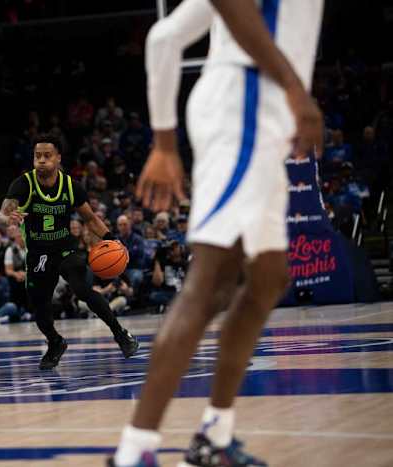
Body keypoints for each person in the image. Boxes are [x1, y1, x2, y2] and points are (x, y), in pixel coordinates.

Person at [112, 0, 324, 466]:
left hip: (259, 109)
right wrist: (163, 144)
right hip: (248, 101)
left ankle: (216, 434)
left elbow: (164, 39)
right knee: (208, 283)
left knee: (269, 276)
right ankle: (135, 451)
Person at [0, 133, 138, 370]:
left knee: (83, 289)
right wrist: (7, 218)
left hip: (65, 249)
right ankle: (55, 342)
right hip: (38, 254)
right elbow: (1, 216)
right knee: (39, 308)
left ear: (58, 158)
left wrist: (113, 240)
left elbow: (90, 219)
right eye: (37, 156)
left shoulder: (71, 186)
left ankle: (120, 334)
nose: (41, 160)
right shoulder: (23, 184)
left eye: (47, 155)